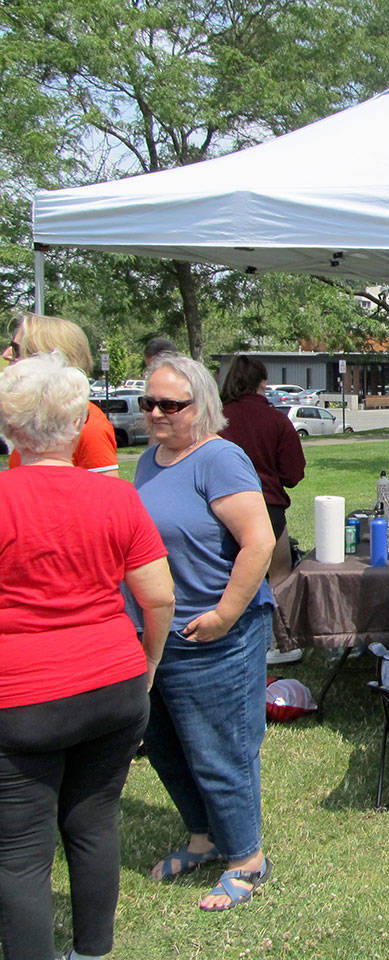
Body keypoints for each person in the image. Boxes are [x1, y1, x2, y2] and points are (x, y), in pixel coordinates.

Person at [0, 354, 175, 960]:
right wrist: (146, 667)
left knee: (20, 851)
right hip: (112, 684)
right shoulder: (118, 498)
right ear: (78, 426)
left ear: (9, 428)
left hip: (21, 699)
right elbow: (159, 599)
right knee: (93, 825)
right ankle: (92, 952)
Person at [131, 353, 277, 910]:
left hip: (216, 632)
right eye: (149, 403)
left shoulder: (220, 458)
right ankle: (204, 836)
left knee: (221, 749)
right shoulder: (150, 461)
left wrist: (224, 614)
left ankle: (246, 858)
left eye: (171, 404)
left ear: (203, 405)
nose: (156, 413)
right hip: (162, 629)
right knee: (166, 745)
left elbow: (259, 542)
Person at [218, 354, 306, 588]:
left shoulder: (216, 420)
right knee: (279, 581)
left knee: (225, 584)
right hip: (267, 509)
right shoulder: (277, 421)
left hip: (221, 510)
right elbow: (293, 475)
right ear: (262, 383)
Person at [4, 312, 117, 475]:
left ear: (47, 358)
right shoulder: (28, 419)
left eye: (16, 349)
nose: (6, 355)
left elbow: (106, 495)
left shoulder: (87, 424)